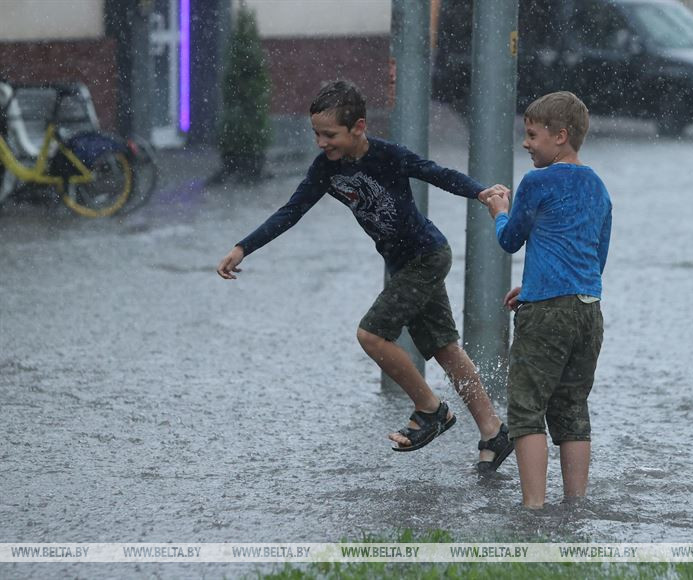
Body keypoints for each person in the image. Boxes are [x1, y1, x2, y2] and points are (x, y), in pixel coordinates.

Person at [217, 80, 514, 471]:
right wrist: (243, 247)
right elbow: (291, 211)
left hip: (426, 256)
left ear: (358, 127)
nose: (321, 143)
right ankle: (493, 432)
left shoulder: (389, 155)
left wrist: (480, 192)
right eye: (316, 134)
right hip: (403, 265)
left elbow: (436, 173)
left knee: (371, 334)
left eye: (329, 135)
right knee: (445, 348)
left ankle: (431, 410)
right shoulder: (326, 169)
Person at [479, 91, 611, 508]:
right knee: (572, 408)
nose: (526, 143)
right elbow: (595, 256)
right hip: (588, 309)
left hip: (546, 314)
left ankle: (533, 508)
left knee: (526, 407)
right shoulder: (598, 186)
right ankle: (575, 504)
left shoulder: (536, 182)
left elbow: (510, 239)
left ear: (560, 136)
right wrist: (535, 285)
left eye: (532, 135)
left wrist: (498, 210)